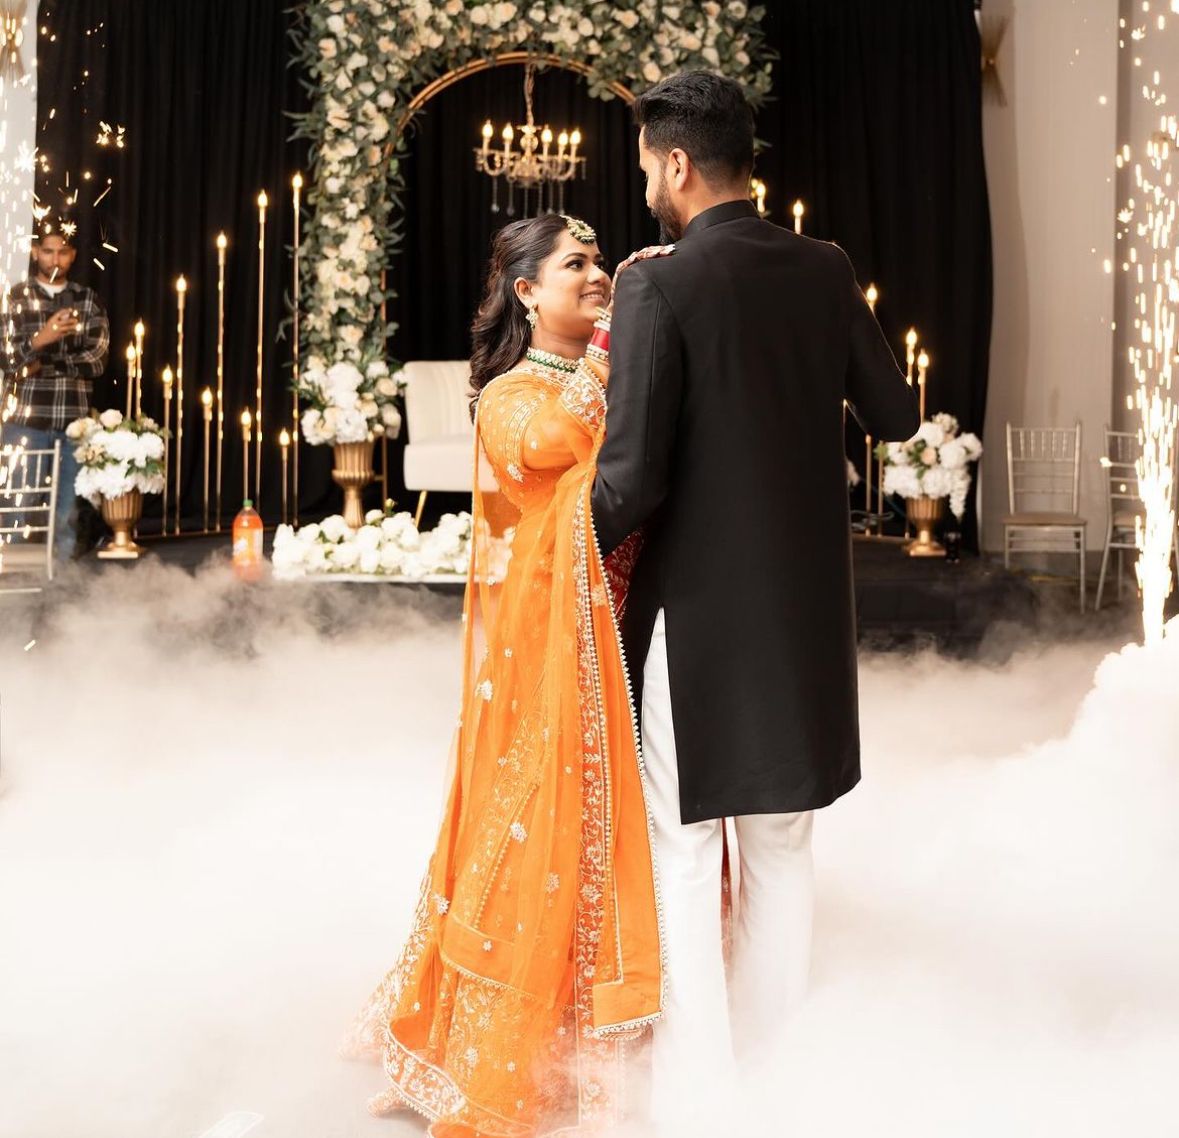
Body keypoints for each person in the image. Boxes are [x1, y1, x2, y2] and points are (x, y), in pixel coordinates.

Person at [590, 72, 920, 1135]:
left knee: (684, 854)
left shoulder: (658, 286)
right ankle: (783, 1090)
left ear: (678, 163)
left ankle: (699, 1102)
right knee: (781, 852)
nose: (647, 185)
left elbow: (631, 478)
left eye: (648, 166)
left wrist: (552, 543)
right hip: (806, 620)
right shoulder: (825, 267)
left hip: (698, 620)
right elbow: (894, 414)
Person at [350, 213, 666, 1137]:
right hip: (551, 624)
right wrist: (612, 344)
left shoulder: (609, 371)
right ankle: (520, 1041)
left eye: (600, 260)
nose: (596, 274)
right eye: (576, 265)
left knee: (618, 808)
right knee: (544, 806)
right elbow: (548, 446)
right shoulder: (510, 392)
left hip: (623, 612)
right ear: (526, 292)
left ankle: (612, 1016)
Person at [4, 218, 110, 560]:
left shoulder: (87, 300)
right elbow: (8, 361)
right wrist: (41, 339)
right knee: (17, 508)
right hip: (25, 424)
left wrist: (41, 361)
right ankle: (9, 579)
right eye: (48, 251)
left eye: (62, 252)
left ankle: (61, 581)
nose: (55, 259)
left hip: (73, 424)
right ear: (36, 252)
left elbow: (96, 361)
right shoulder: (15, 298)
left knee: (67, 513)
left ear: (73, 254)